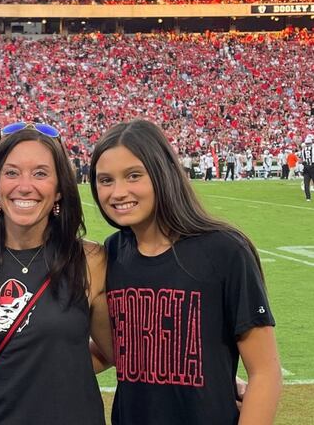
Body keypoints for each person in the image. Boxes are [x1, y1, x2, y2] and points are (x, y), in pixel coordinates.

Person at [89, 119, 282, 424]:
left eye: (134, 176)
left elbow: (264, 372)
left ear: (162, 173)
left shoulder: (225, 250)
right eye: (105, 180)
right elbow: (117, 350)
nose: (118, 192)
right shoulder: (112, 252)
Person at [0, 123, 112, 424]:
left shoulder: (90, 261)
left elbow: (113, 351)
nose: (25, 186)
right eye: (11, 173)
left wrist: (52, 370)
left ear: (60, 189)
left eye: (40, 173)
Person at [301, 135, 314, 202]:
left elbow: (303, 161)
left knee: (306, 183)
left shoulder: (303, 150)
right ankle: (308, 197)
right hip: (312, 166)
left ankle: (308, 198)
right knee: (306, 183)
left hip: (306, 167)